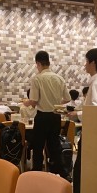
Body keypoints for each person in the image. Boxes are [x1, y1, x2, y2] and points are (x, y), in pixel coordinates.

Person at [68, 48, 97, 193]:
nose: (85, 65)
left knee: (81, 164)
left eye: (86, 61)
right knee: (85, 163)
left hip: (93, 130)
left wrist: (77, 114)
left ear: (93, 63)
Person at [24, 50, 71, 178]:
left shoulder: (37, 79)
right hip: (56, 116)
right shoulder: (59, 78)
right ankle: (61, 173)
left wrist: (27, 103)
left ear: (38, 63)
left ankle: (37, 173)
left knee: (38, 147)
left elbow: (34, 101)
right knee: (54, 146)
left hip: (42, 117)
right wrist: (56, 103)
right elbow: (67, 98)